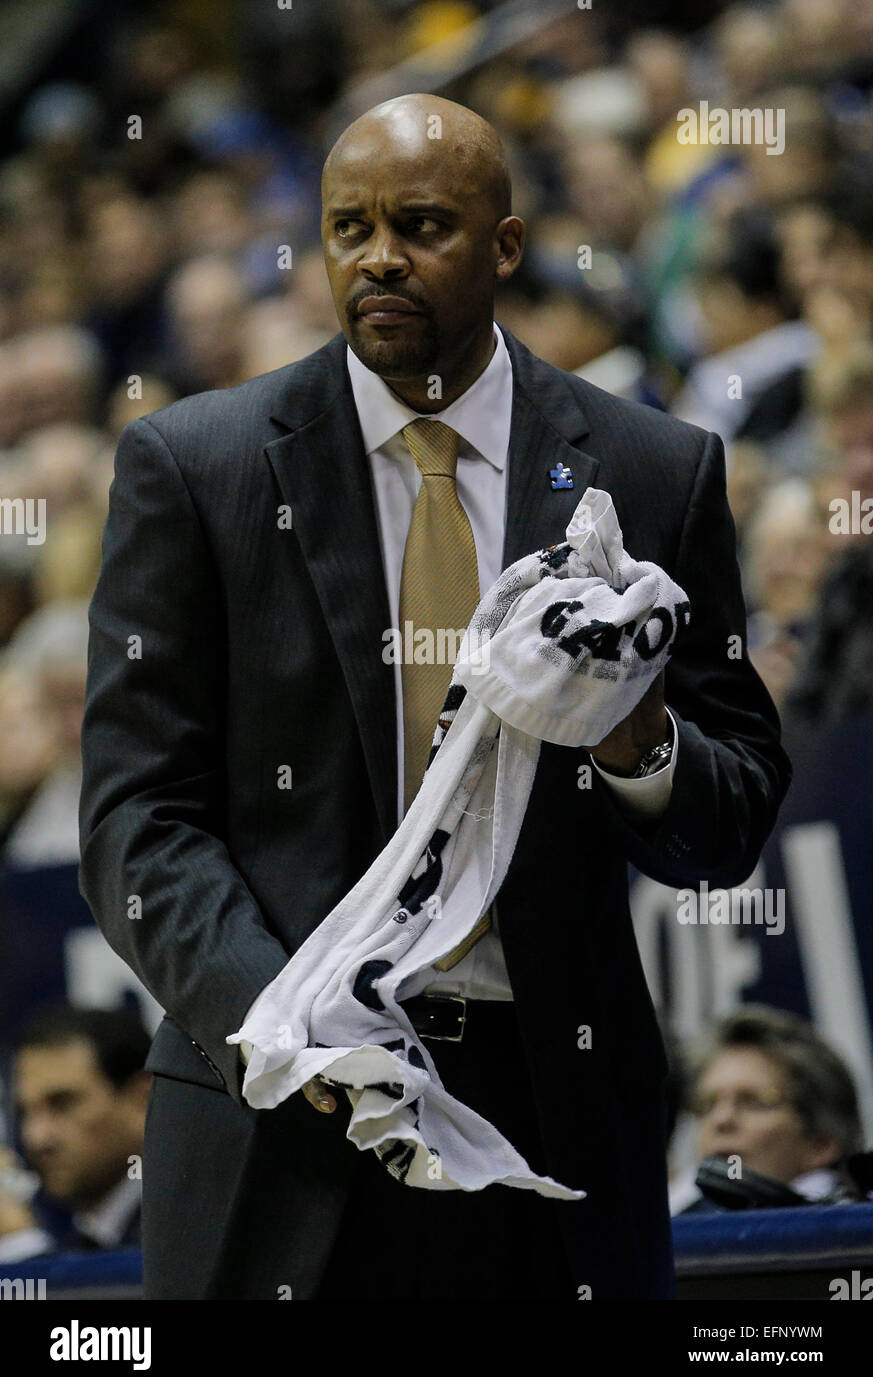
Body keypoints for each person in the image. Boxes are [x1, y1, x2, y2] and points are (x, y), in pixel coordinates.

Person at [79, 94, 790, 1300]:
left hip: (553, 1117)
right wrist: (294, 1022)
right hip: (282, 1115)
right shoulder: (195, 468)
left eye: (420, 225)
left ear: (505, 247)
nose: (379, 259)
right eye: (348, 229)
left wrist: (633, 733)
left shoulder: (655, 469)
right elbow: (136, 816)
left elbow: (733, 812)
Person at [672, 1006, 865, 1213]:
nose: (721, 1120)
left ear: (821, 1144)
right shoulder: (674, 1218)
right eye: (707, 1105)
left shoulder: (856, 1229)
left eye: (754, 1102)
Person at [0, 1006, 150, 1260]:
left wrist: (21, 1247)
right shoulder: (89, 1237)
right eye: (25, 1112)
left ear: (142, 1100)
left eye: (63, 1103)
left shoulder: (187, 1226)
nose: (38, 1138)